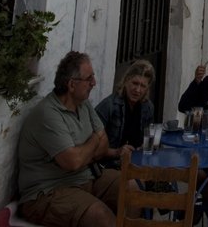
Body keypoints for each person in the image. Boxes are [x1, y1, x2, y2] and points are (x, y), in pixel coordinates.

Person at [17, 50, 128, 226]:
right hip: (48, 191)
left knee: (131, 189)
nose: (94, 83)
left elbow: (103, 143)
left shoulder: (83, 103)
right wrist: (93, 140)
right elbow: (73, 161)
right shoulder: (48, 114)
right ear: (71, 84)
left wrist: (84, 151)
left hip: (85, 177)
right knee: (101, 216)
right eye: (89, 78)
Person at [95, 59, 155, 163]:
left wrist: (145, 147)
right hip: (109, 165)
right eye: (135, 83)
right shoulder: (108, 105)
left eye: (143, 86)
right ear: (126, 80)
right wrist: (117, 152)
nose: (137, 90)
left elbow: (147, 140)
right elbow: (92, 148)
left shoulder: (148, 107)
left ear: (147, 88)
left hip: (136, 163)